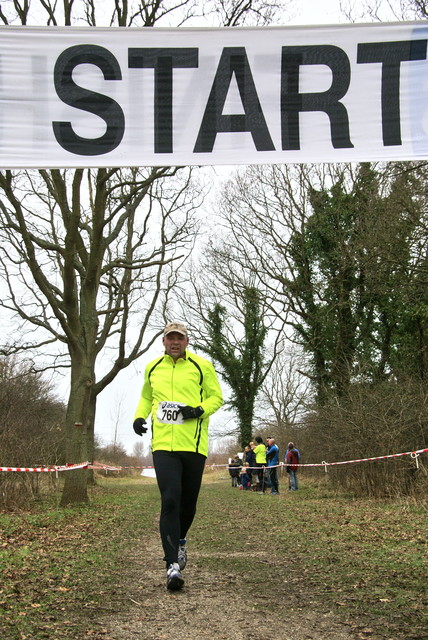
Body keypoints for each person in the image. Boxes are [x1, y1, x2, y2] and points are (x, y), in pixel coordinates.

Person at [133, 321, 223, 591]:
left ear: (187, 341)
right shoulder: (152, 367)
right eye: (170, 338)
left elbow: (217, 398)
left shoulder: (201, 366)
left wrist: (198, 410)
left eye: (179, 338)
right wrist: (139, 417)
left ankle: (181, 540)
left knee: (188, 503)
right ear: (163, 341)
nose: (174, 342)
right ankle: (172, 565)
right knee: (170, 499)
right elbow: (146, 397)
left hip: (193, 446)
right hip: (163, 446)